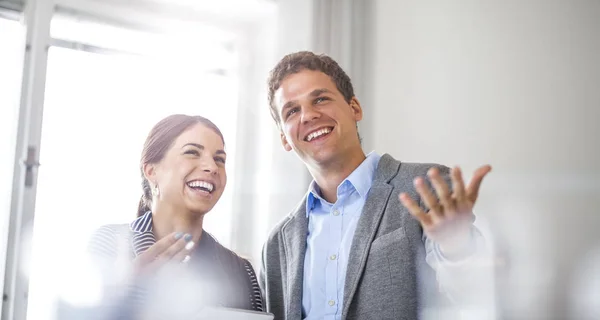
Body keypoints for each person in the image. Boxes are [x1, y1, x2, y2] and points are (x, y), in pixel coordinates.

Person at [259, 51, 492, 320]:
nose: (308, 115)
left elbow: (475, 295)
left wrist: (457, 247)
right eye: (292, 111)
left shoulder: (426, 188)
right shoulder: (277, 244)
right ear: (285, 139)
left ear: (354, 108)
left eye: (320, 99)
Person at [70, 114, 263, 319]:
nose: (212, 167)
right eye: (192, 153)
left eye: (219, 159)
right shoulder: (110, 244)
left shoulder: (240, 271)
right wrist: (126, 292)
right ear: (151, 171)